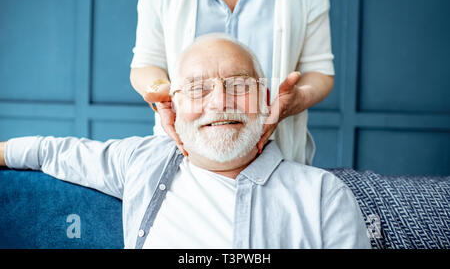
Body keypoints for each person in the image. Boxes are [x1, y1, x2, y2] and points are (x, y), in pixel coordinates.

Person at [0, 35, 370, 249]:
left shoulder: (324, 195)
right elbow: (53, 151)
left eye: (239, 85)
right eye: (197, 88)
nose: (219, 101)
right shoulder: (142, 160)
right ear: (173, 105)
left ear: (267, 99)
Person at [129, 0, 335, 165]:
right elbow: (146, 65)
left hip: (276, 157)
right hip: (187, 155)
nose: (220, 102)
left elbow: (319, 72)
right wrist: (163, 94)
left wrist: (298, 99)